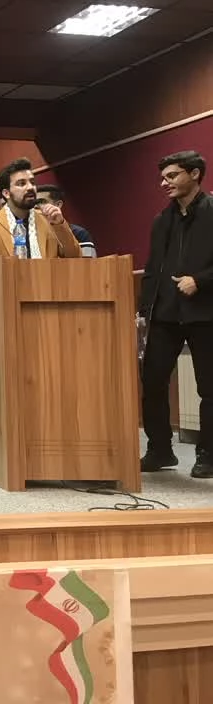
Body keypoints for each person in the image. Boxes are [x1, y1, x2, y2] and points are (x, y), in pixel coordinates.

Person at [138, 150, 213, 479]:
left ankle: (208, 454)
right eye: (163, 177)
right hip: (165, 314)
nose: (164, 183)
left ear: (194, 174)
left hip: (205, 313)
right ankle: (160, 450)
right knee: (152, 381)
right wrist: (144, 310)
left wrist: (200, 281)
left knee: (209, 387)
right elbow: (152, 268)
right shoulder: (161, 220)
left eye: (172, 176)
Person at [0, 158, 81, 258]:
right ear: (6, 193)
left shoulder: (48, 219)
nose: (30, 187)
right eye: (21, 184)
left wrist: (59, 225)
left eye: (32, 182)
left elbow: (75, 258)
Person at [36, 184, 96, 257]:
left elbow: (89, 262)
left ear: (58, 205)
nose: (35, 206)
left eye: (41, 201)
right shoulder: (30, 233)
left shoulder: (78, 233)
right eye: (34, 203)